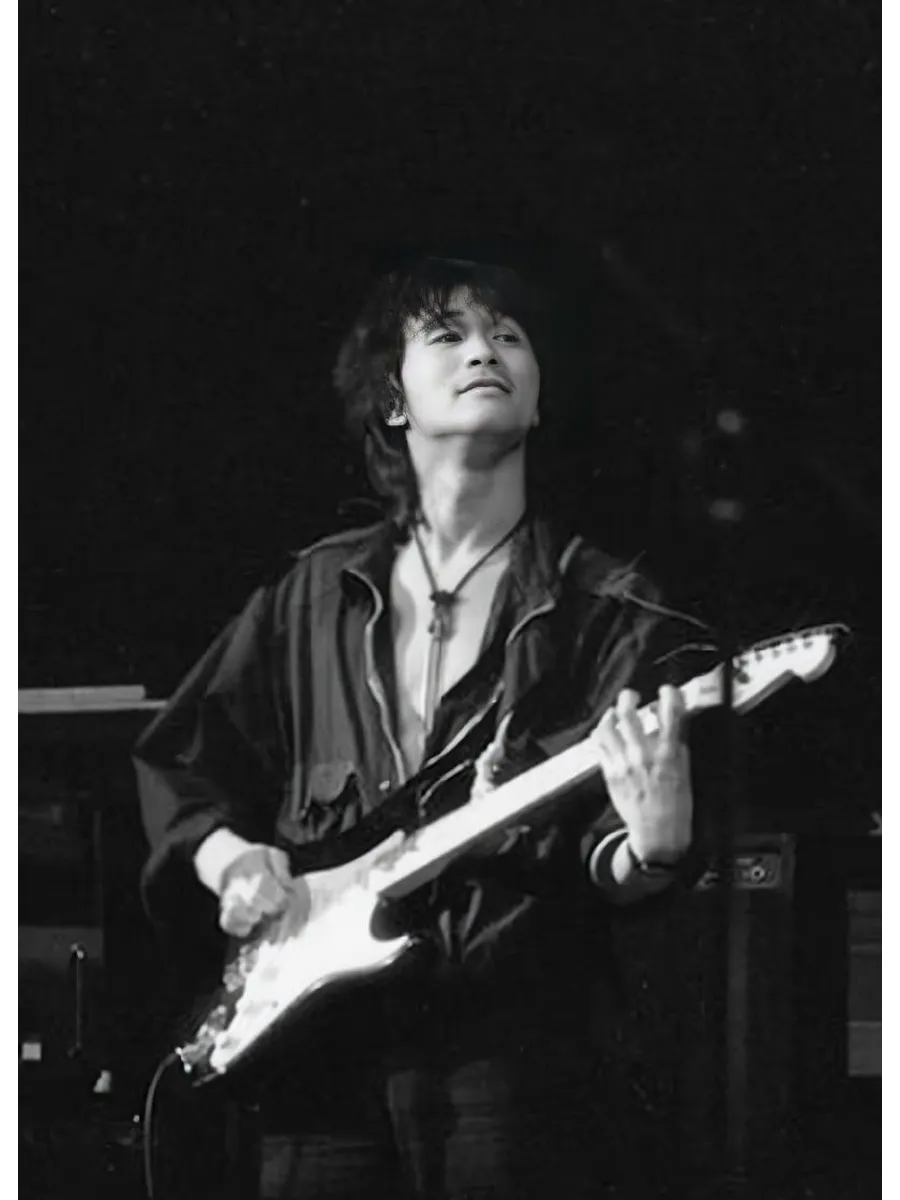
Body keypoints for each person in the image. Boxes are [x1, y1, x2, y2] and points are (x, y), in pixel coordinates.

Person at [135, 252, 711, 1199]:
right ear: (393, 402)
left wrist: (652, 848)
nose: (486, 350)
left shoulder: (610, 610)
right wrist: (231, 861)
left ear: (538, 400)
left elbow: (610, 861)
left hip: (510, 1058)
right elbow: (184, 761)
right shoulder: (312, 593)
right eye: (449, 335)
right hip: (318, 1053)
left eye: (508, 336)